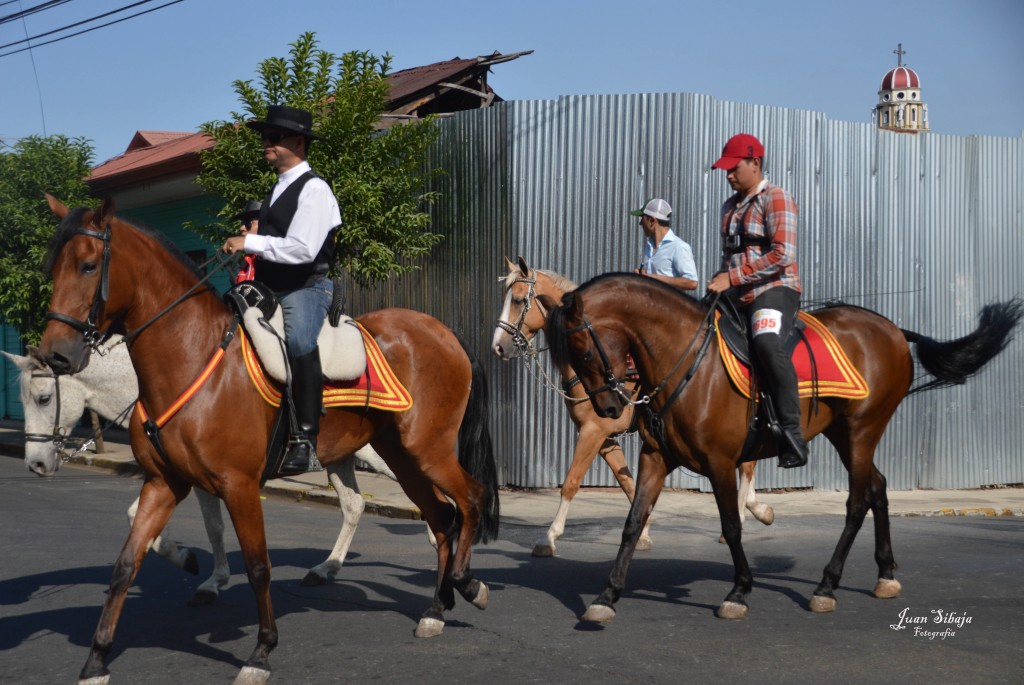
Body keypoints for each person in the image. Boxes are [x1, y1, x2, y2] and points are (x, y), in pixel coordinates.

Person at [222, 105, 342, 475]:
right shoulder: (277, 187)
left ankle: (305, 440)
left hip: (306, 287)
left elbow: (304, 248)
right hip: (269, 287)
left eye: (274, 137)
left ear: (299, 142)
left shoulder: (315, 189)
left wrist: (252, 244)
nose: (266, 143)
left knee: (300, 342)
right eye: (265, 137)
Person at [706, 133, 808, 469]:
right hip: (737, 294)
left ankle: (792, 433)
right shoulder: (729, 206)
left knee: (765, 342)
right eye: (725, 169)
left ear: (755, 163)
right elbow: (730, 257)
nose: (728, 175)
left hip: (775, 290)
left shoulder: (776, 198)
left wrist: (732, 278)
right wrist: (718, 284)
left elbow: (783, 254)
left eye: (734, 168)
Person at [629, 198, 698, 291]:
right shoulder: (649, 245)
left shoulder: (679, 247)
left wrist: (654, 278)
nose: (640, 223)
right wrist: (643, 275)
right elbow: (653, 274)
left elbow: (692, 283)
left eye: (643, 218)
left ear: (652, 221)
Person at [232, 200, 261, 283]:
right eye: (242, 223)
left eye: (248, 223)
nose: (241, 228)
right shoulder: (246, 262)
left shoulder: (276, 258)